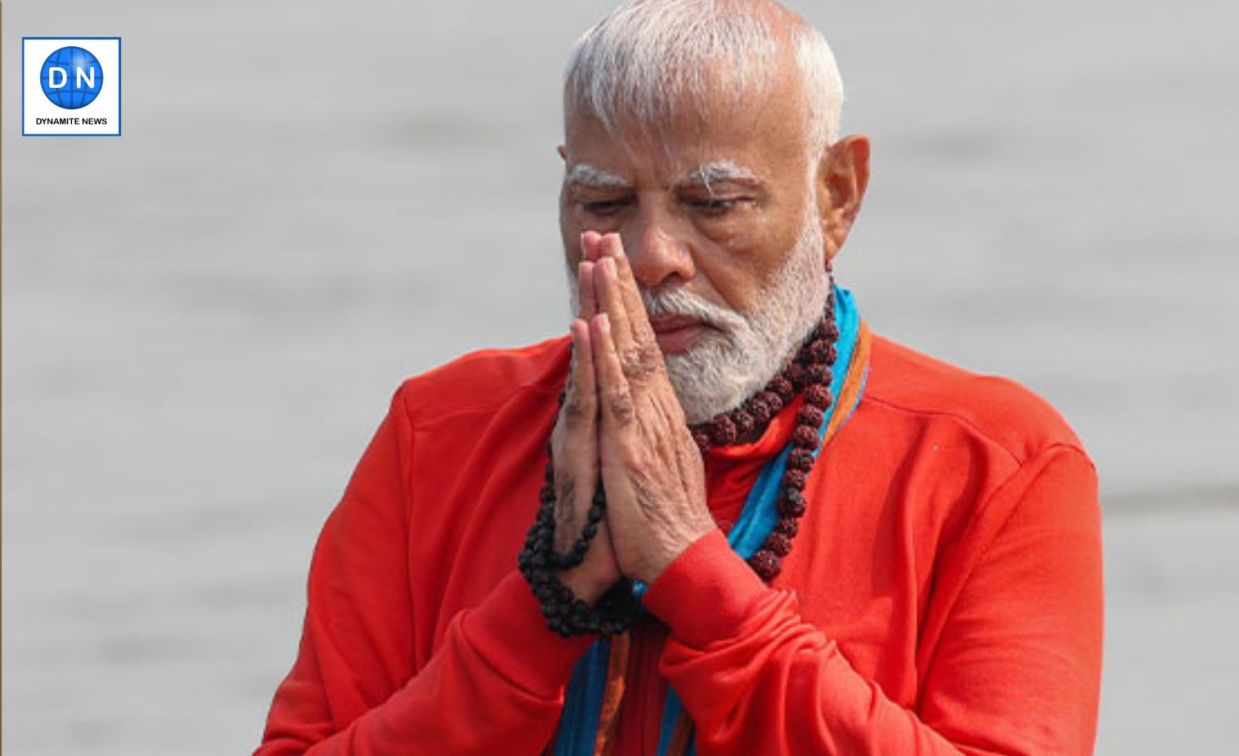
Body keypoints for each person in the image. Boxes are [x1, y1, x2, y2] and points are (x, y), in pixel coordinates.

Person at [254, 1, 1104, 753]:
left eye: (715, 204)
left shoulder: (997, 463)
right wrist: (543, 610)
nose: (652, 256)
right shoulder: (438, 433)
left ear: (836, 195)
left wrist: (694, 576)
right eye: (604, 203)